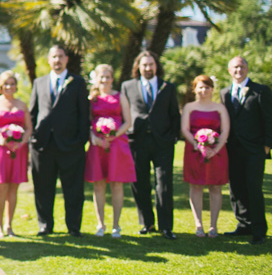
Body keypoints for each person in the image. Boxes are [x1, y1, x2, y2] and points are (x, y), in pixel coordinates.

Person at [28, 45, 90, 237]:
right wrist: (33, 138)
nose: (57, 60)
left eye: (60, 56)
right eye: (54, 56)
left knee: (73, 189)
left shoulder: (78, 82)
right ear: (48, 60)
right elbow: (33, 112)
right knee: (43, 188)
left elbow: (83, 114)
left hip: (71, 145)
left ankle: (73, 227)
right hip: (43, 145)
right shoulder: (39, 82)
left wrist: (81, 140)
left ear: (66, 59)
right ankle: (45, 225)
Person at [121, 50, 180, 240]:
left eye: (151, 64)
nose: (147, 68)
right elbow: (123, 112)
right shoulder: (127, 86)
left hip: (162, 142)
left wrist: (173, 137)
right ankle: (147, 223)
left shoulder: (168, 87)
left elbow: (174, 114)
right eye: (144, 65)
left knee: (164, 184)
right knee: (140, 184)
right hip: (137, 141)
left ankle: (166, 226)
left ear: (156, 66)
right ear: (138, 67)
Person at [221, 56, 272, 244]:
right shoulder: (224, 93)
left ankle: (259, 229)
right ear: (229, 70)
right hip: (233, 149)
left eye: (242, 66)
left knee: (253, 187)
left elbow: (270, 118)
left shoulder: (261, 91)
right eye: (235, 67)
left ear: (247, 69)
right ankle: (244, 225)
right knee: (236, 188)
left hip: (255, 149)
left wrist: (267, 145)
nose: (238, 70)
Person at [84, 64, 136, 238]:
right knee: (98, 184)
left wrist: (113, 135)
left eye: (107, 77)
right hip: (97, 145)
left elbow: (128, 121)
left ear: (112, 79)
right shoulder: (92, 99)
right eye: (101, 77)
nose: (104, 80)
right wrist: (95, 138)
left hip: (117, 145)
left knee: (116, 183)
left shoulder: (120, 97)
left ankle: (116, 225)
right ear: (96, 79)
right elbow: (87, 121)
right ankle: (100, 224)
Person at [0, 70, 31, 238]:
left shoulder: (22, 104)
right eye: (6, 84)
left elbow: (28, 127)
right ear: (0, 86)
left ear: (16, 86)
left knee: (13, 188)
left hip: (18, 149)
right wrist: (0, 137)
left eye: (12, 83)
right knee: (0, 187)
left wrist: (22, 141)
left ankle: (9, 225)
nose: (9, 86)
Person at [181, 75, 230, 237]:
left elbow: (225, 131)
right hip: (194, 152)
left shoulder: (220, 108)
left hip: (217, 152)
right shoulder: (189, 107)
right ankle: (199, 225)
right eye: (200, 87)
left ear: (212, 89)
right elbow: (185, 129)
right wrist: (197, 145)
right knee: (196, 186)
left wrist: (215, 149)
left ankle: (213, 226)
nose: (204, 90)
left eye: (207, 87)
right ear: (194, 89)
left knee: (215, 187)